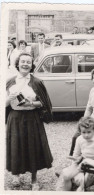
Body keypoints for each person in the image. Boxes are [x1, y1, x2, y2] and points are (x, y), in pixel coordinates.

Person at [6, 52, 53, 190]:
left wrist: (31, 103)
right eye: (23, 62)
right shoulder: (9, 81)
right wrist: (10, 98)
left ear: (32, 65)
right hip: (15, 118)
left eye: (28, 62)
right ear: (17, 64)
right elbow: (4, 104)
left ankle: (34, 179)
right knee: (16, 146)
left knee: (33, 147)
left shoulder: (37, 82)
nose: (25, 64)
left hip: (32, 118)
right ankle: (16, 175)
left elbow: (44, 103)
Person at [56, 116, 94, 191]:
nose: (86, 135)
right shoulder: (79, 139)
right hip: (81, 163)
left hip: (93, 165)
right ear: (80, 131)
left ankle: (80, 188)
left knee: (83, 181)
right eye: (83, 132)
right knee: (66, 175)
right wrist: (74, 164)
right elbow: (76, 154)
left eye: (89, 132)